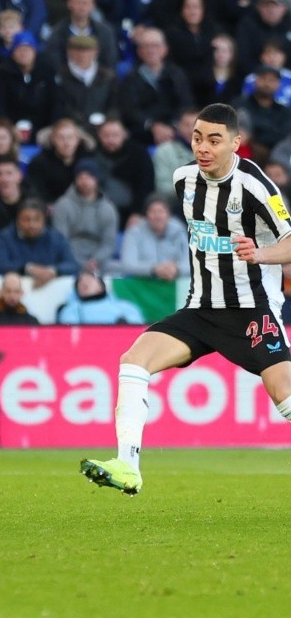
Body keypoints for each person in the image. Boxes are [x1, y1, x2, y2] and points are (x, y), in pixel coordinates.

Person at [81, 102, 291, 496]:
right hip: (200, 308)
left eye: (214, 139)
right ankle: (127, 466)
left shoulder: (255, 186)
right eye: (197, 138)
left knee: (285, 398)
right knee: (133, 362)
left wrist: (259, 254)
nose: (203, 147)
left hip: (252, 309)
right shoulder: (183, 180)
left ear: (235, 143)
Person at [58, 269, 145, 325]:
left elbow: (136, 330)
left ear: (101, 287)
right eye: (79, 282)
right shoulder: (71, 310)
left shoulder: (125, 306)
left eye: (89, 279)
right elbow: (70, 334)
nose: (83, 282)